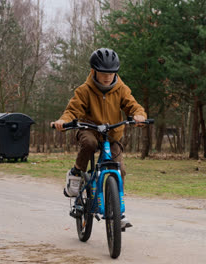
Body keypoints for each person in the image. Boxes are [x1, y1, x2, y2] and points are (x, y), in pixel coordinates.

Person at [51, 48, 147, 228]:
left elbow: (133, 106)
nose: (107, 77)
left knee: (120, 170)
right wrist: (63, 121)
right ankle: (76, 173)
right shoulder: (85, 90)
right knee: (89, 143)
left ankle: (118, 211)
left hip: (112, 135)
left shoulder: (121, 89)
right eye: (103, 73)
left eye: (111, 74)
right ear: (94, 71)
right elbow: (73, 111)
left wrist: (139, 115)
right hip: (89, 129)